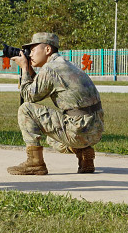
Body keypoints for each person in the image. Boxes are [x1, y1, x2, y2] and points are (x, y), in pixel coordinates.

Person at [8, 32, 104, 175]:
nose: (30, 54)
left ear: (47, 49)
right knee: (53, 140)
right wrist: (29, 69)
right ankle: (84, 154)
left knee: (26, 109)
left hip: (77, 130)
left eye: (33, 50)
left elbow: (29, 96)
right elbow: (40, 88)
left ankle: (35, 163)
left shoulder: (50, 68)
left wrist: (23, 69)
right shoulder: (67, 64)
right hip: (96, 130)